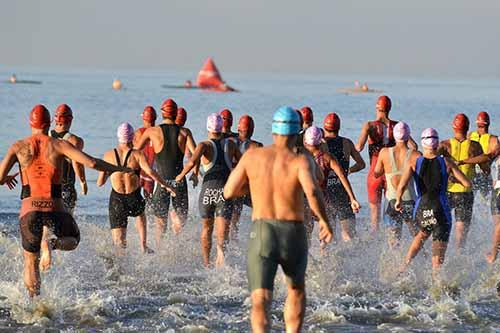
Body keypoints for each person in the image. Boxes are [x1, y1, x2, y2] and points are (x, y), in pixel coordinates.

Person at [0, 105, 131, 297]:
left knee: (30, 260)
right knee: (73, 240)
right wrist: (121, 169)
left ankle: (35, 305)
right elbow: (92, 163)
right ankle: (52, 244)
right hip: (55, 207)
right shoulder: (59, 144)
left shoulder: (18, 146)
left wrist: (7, 178)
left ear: (30, 122)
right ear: (49, 123)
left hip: (29, 210)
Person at [223, 106, 333, 333]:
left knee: (261, 298)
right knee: (295, 291)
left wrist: (254, 185)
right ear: (296, 134)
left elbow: (228, 191)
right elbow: (312, 192)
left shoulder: (253, 156)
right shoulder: (302, 160)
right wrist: (324, 221)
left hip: (262, 231)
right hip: (292, 230)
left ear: (273, 132)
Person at [397, 128, 471, 278]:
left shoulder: (414, 162)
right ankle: (436, 281)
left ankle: (404, 266)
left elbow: (401, 185)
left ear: (423, 143)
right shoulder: (446, 162)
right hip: (440, 209)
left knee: (422, 234)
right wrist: (451, 178)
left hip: (421, 208)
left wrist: (398, 200)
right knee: (438, 253)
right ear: (437, 143)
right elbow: (467, 183)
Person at [97, 123, 176, 254]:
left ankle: (119, 264)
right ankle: (143, 245)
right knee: (140, 215)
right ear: (133, 137)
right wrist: (166, 185)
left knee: (119, 241)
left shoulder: (108, 155)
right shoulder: (138, 155)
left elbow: (100, 182)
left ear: (118, 137)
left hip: (117, 199)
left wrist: (111, 172)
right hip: (134, 196)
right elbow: (151, 172)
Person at [175, 113, 240, 267]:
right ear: (221, 127)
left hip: (207, 193)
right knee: (223, 233)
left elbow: (191, 161)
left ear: (208, 128)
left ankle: (206, 263)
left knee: (206, 228)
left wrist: (181, 175)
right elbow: (242, 162)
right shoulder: (231, 144)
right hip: (225, 192)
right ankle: (221, 259)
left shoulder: (204, 145)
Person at [134, 98, 196, 247]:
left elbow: (136, 152)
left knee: (160, 223)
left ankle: (161, 252)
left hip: (161, 182)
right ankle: (176, 248)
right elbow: (195, 156)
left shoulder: (152, 131)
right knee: (181, 219)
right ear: (176, 114)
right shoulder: (184, 132)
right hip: (179, 182)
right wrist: (194, 172)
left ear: (162, 113)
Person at [356, 95, 417, 233]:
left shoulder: (369, 125)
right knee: (395, 205)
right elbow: (414, 146)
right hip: (392, 170)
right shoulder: (397, 126)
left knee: (375, 213)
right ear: (390, 108)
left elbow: (359, 147)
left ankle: (375, 241)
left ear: (377, 107)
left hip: (375, 171)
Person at [303, 126, 360, 244]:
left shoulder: (301, 158)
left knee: (306, 234)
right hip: (323, 201)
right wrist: (352, 198)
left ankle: (308, 260)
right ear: (321, 140)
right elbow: (342, 176)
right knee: (326, 235)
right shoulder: (327, 158)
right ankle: (327, 257)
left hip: (306, 201)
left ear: (305, 141)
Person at [439, 113, 485, 249]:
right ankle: (459, 261)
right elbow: (486, 168)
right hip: (465, 193)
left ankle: (439, 257)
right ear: (468, 127)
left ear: (453, 127)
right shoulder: (475, 146)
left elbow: (432, 162)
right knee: (461, 236)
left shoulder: (445, 145)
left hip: (447, 191)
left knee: (442, 230)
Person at [374, 122, 420, 246]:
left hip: (392, 201)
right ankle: (422, 263)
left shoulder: (384, 153)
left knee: (393, 241)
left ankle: (394, 265)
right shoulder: (416, 155)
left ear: (394, 136)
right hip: (410, 200)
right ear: (408, 136)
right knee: (417, 238)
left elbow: (376, 173)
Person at [322, 113, 365, 241]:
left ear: (325, 127)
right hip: (343, 193)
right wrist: (348, 172)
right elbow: (361, 164)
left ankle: (328, 260)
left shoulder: (321, 144)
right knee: (349, 236)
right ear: (339, 128)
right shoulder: (347, 143)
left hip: (326, 195)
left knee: (327, 239)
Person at [229, 115, 263, 240]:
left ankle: (233, 240)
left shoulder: (229, 142)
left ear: (238, 128)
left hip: (233, 186)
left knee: (234, 218)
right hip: (249, 187)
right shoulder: (257, 146)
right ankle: (257, 238)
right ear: (252, 129)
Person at [49, 104, 87, 214]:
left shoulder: (45, 136)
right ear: (70, 120)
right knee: (66, 219)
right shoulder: (75, 141)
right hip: (65, 186)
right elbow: (77, 163)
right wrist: (83, 181)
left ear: (55, 119)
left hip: (46, 185)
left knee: (47, 221)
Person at [469, 111, 498, 198]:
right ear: (488, 124)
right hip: (485, 173)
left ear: (477, 123)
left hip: (472, 174)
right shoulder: (493, 139)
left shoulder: (469, 136)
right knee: (487, 202)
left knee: (469, 200)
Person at [133, 106, 157, 201]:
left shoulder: (138, 133)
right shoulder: (158, 133)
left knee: (135, 198)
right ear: (155, 118)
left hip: (139, 170)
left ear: (143, 118)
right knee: (149, 199)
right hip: (152, 171)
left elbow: (132, 152)